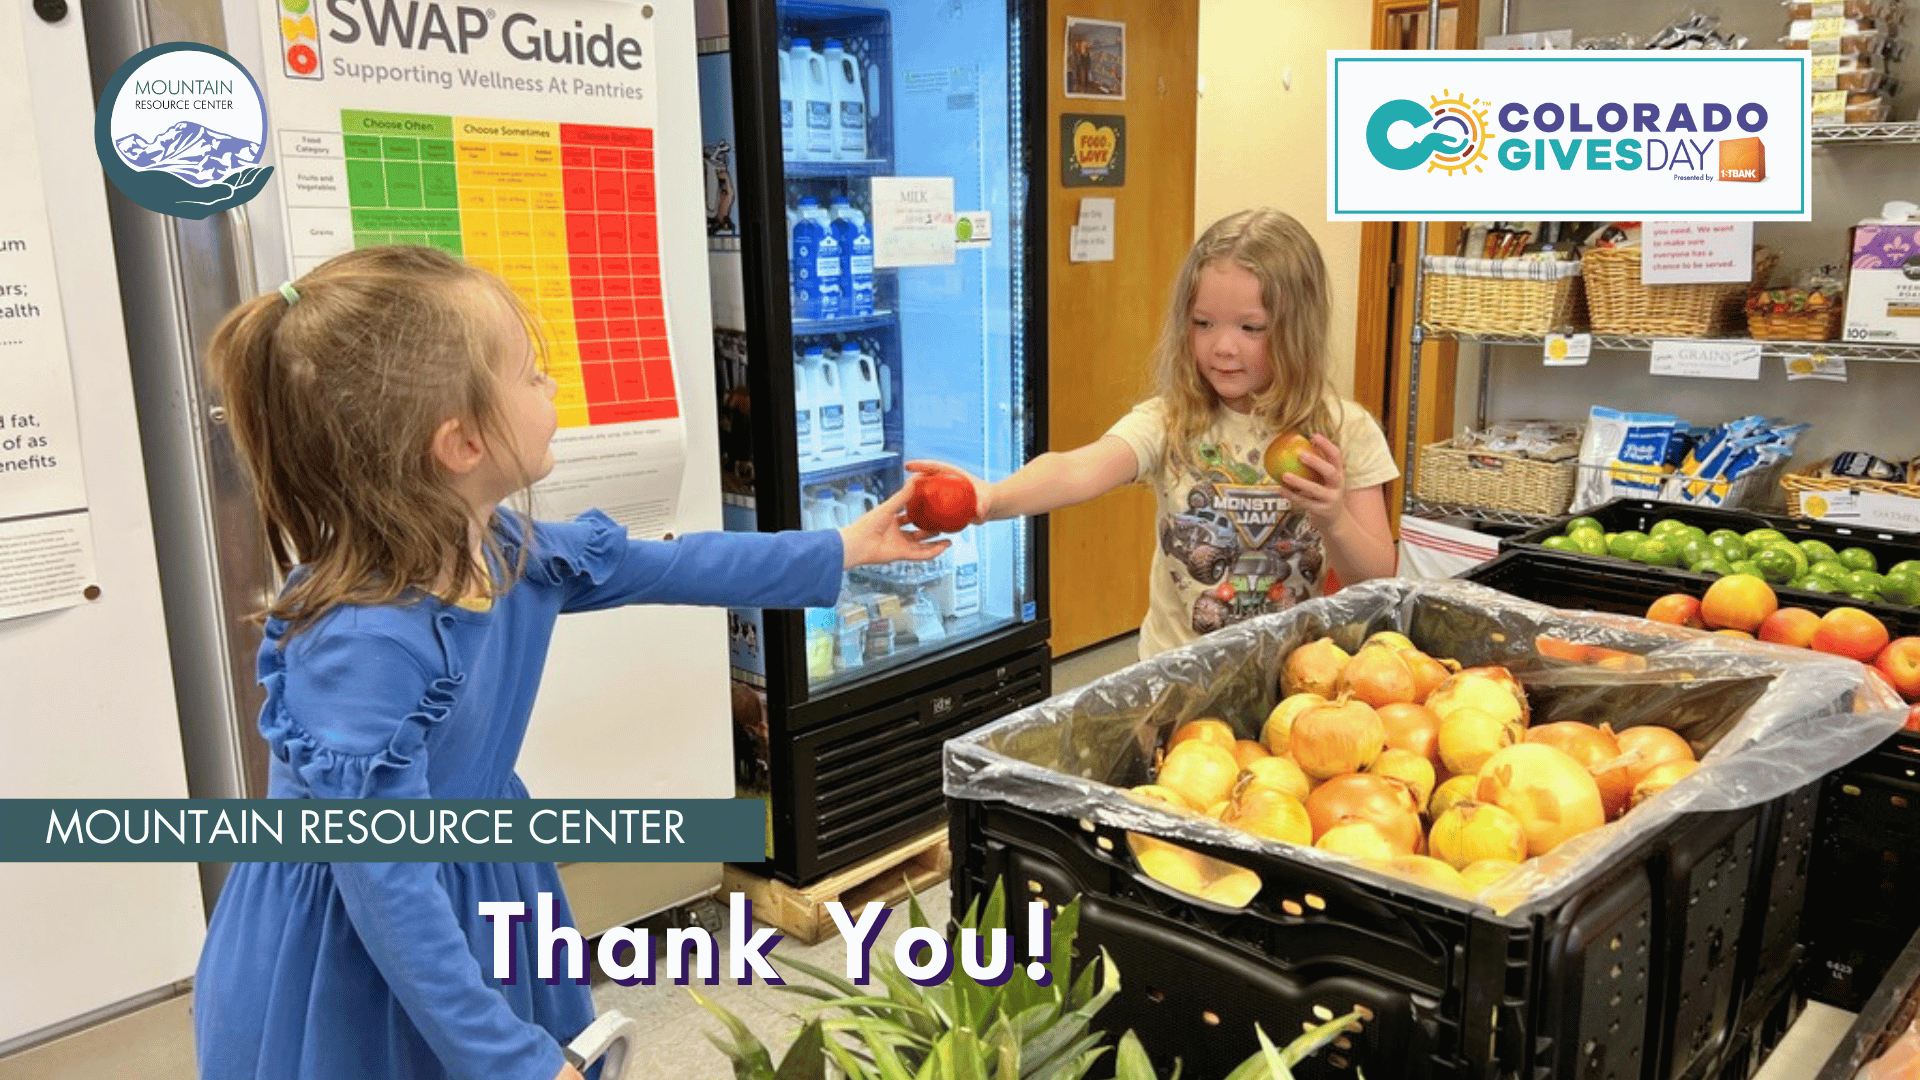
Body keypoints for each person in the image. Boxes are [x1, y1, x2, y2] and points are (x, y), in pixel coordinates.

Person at [191, 245, 945, 1080]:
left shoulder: (502, 546)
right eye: (532, 375)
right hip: (358, 941)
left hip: (478, 873)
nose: (553, 393)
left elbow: (674, 564)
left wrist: (841, 545)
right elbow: (391, 896)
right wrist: (509, 1059)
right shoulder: (362, 645)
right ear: (462, 443)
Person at [915, 208, 1397, 657]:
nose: (1222, 347)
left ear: (1299, 329)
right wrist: (992, 498)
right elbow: (1078, 468)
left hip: (1293, 672)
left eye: (1251, 328)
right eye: (1203, 323)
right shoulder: (1172, 420)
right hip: (1176, 671)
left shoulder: (1341, 431)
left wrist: (1334, 518)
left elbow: (1377, 574)